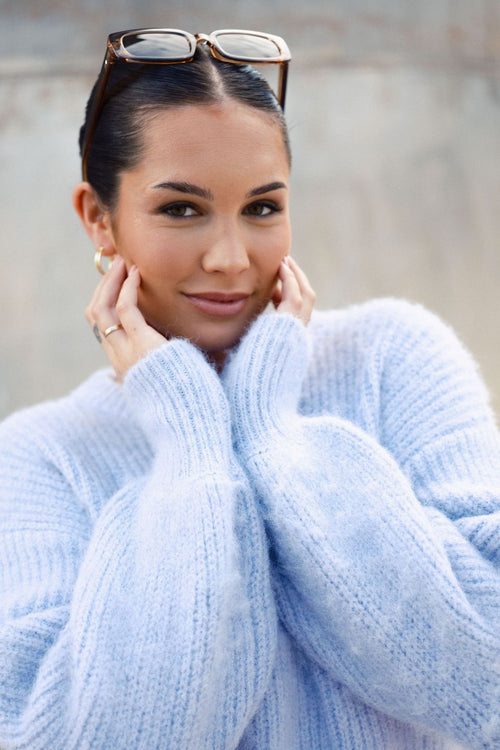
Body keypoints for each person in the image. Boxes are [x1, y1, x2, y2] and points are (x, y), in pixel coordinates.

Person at [0, 27, 499, 750]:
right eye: (181, 209)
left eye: (262, 208)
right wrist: (190, 442)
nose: (232, 259)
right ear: (98, 218)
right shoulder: (37, 457)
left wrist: (272, 430)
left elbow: (481, 677)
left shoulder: (395, 356)